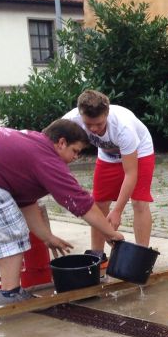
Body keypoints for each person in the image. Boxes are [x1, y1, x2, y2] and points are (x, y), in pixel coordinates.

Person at [0, 121, 124, 304]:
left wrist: (47, 237)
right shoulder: (46, 156)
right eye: (75, 151)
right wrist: (111, 234)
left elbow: (26, 203)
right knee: (14, 231)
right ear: (61, 143)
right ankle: (10, 294)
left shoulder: (30, 144)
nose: (76, 157)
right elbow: (80, 202)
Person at [62, 90, 155, 265]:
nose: (94, 129)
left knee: (139, 202)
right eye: (89, 124)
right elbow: (48, 139)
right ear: (80, 114)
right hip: (108, 155)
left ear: (107, 113)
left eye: (99, 123)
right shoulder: (70, 120)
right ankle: (97, 255)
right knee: (98, 202)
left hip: (140, 152)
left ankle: (141, 257)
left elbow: (130, 173)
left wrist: (118, 210)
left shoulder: (123, 127)